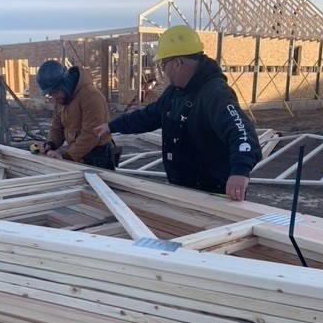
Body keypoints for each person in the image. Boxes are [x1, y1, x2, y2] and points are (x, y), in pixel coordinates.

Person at [95, 25, 262, 201]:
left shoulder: (214, 93)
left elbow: (242, 132)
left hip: (213, 194)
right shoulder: (175, 92)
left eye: (164, 65)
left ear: (177, 63)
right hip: (184, 189)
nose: (164, 71)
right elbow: (149, 116)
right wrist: (112, 126)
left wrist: (240, 171)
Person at [36, 60, 116, 170]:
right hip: (77, 152)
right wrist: (50, 144)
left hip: (98, 156)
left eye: (55, 92)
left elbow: (91, 134)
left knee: (98, 186)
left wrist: (66, 156)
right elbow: (57, 128)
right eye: (50, 94)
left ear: (64, 83)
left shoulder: (91, 96)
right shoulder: (61, 100)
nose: (54, 97)